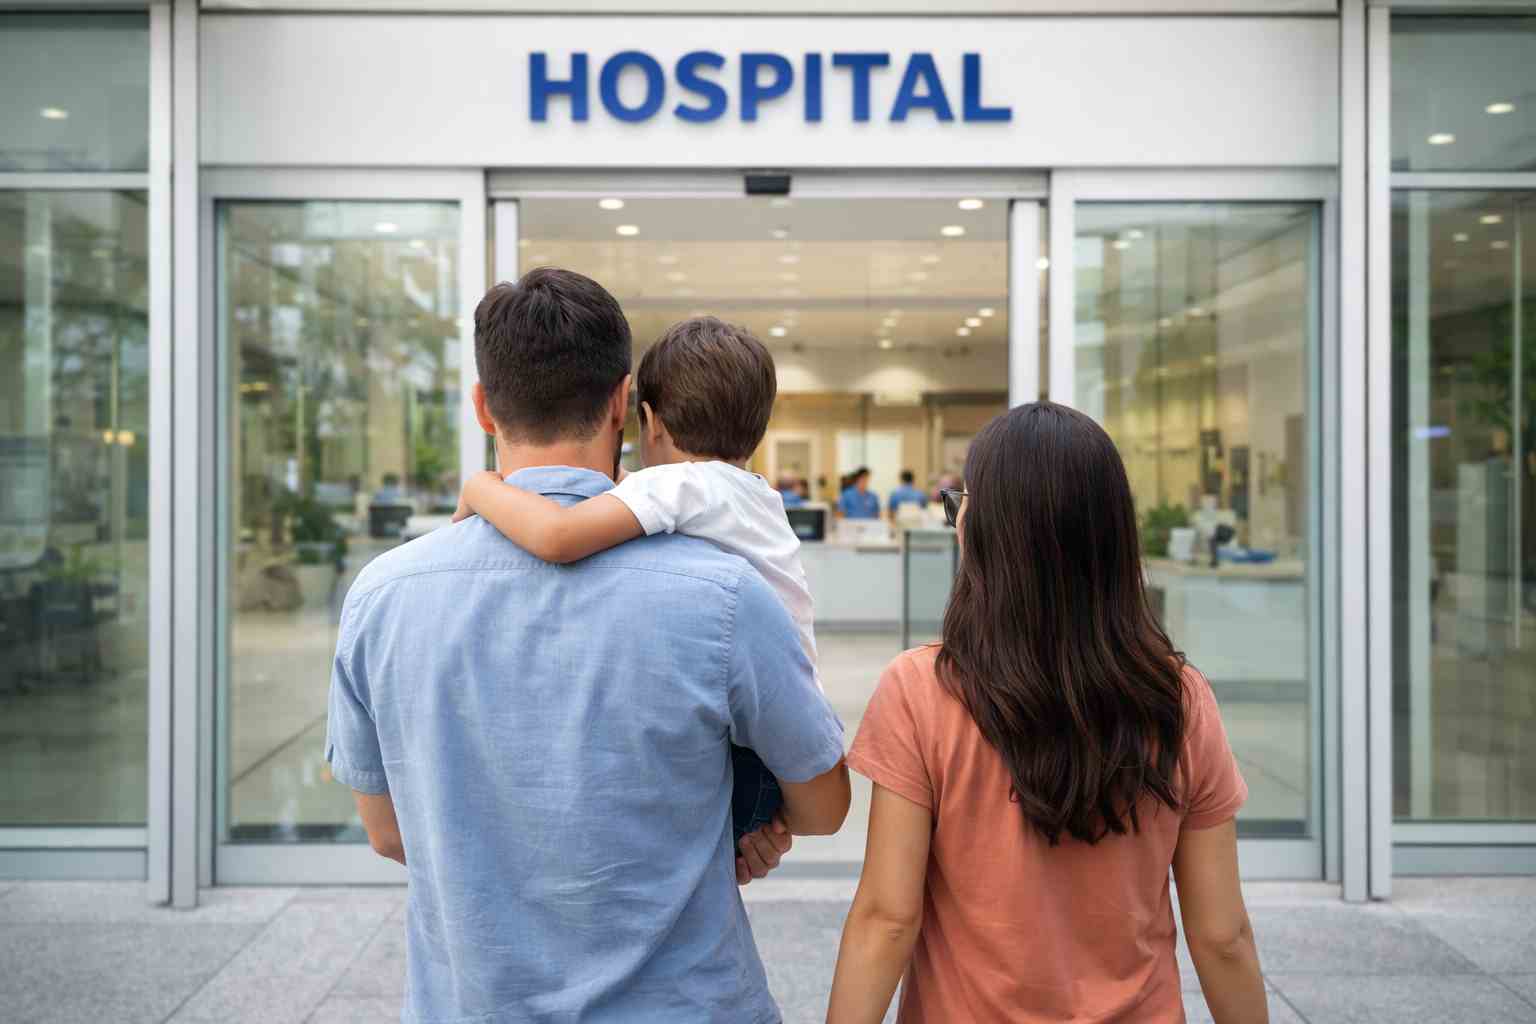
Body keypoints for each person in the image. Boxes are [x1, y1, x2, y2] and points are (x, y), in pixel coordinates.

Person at [325, 269, 850, 1024]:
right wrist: (737, 835)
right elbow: (825, 807)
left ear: (482, 406)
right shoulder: (727, 592)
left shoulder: (381, 595)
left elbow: (388, 833)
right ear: (621, 402)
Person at [827, 402, 1265, 1024]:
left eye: (964, 505)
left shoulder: (922, 690)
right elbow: (1222, 936)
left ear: (981, 528)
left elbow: (887, 918)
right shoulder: (1177, 697)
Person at [454, 315, 824, 840]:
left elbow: (558, 537)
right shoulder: (747, 493)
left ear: (647, 420)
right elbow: (630, 493)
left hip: (749, 760)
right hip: (779, 739)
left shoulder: (681, 487)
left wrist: (481, 490)